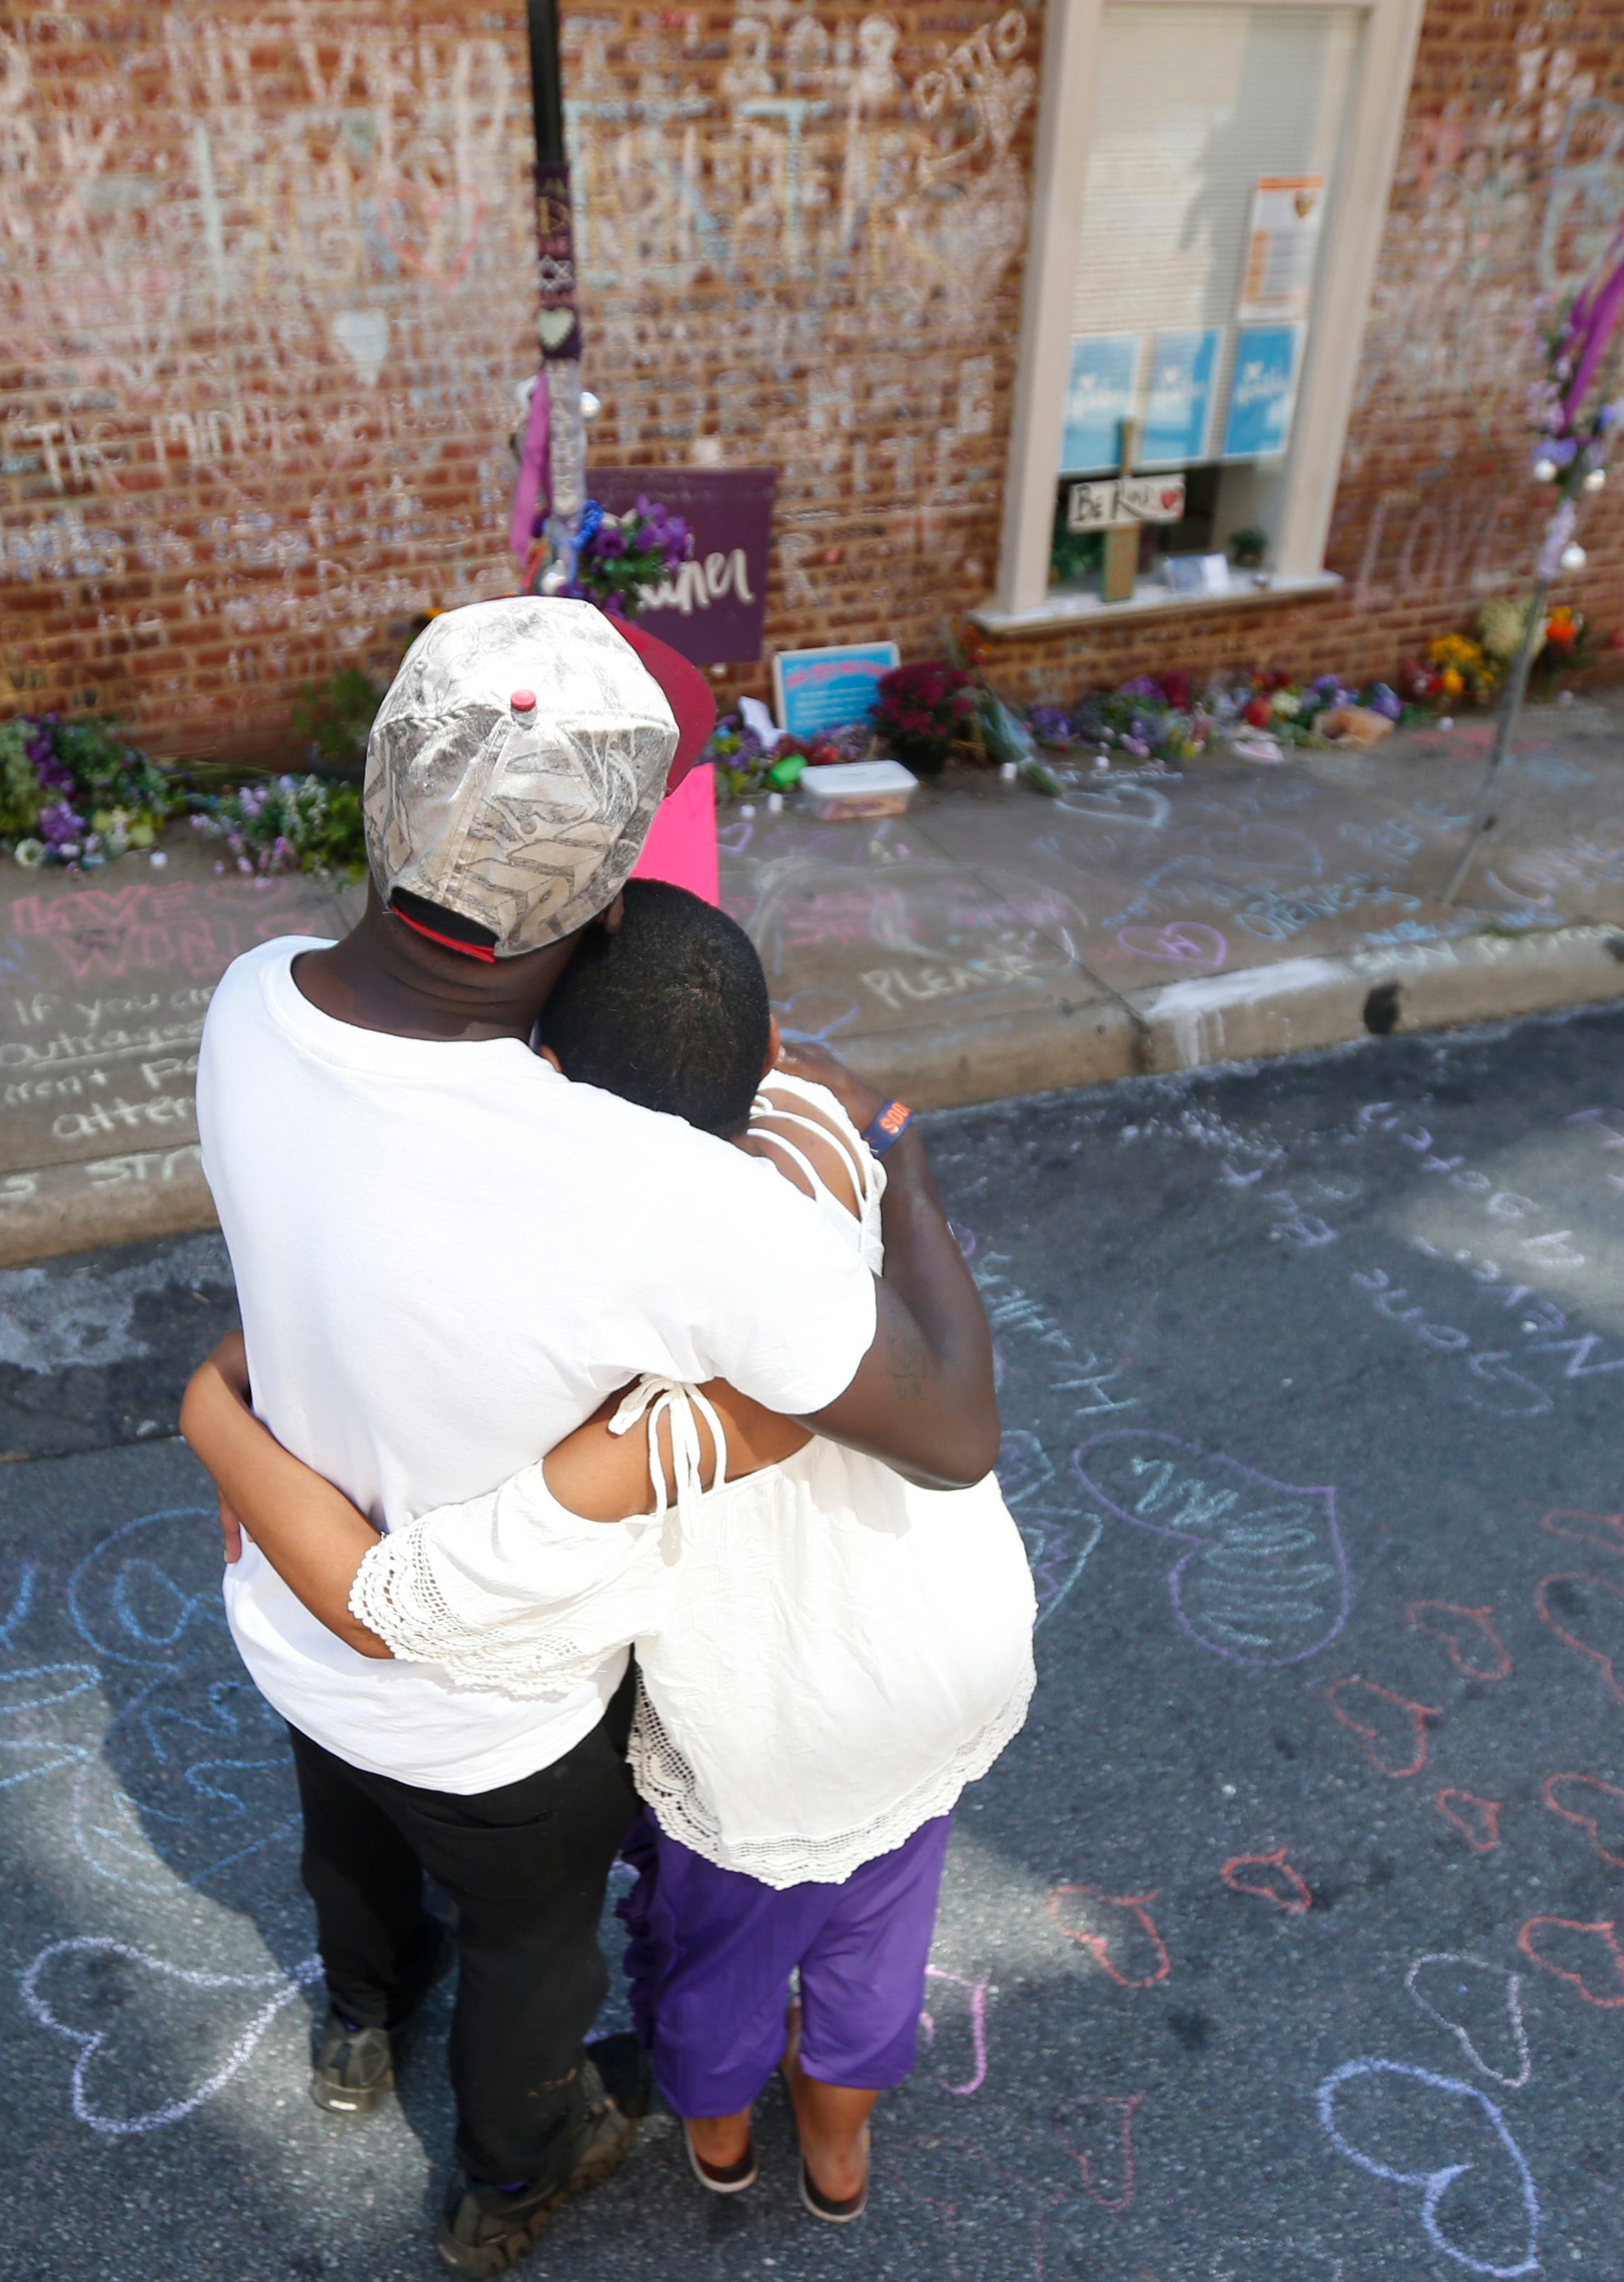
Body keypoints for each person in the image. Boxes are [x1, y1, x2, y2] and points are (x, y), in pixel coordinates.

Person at [195, 598, 996, 2276]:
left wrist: (211, 1413)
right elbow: (947, 1429)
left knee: (346, 1838)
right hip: (497, 1718)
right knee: (534, 1958)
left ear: (375, 799)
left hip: (280, 1602)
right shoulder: (653, 1193)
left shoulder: (249, 1000)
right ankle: (509, 2172)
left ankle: (354, 2017)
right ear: (613, 896)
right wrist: (899, 1163)